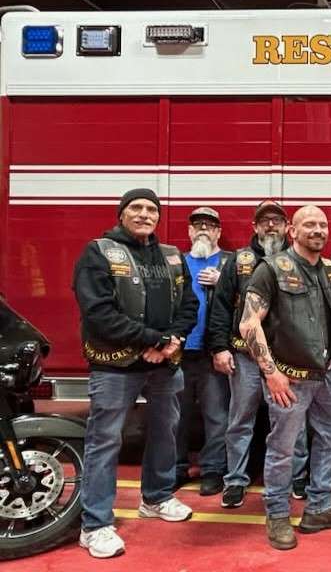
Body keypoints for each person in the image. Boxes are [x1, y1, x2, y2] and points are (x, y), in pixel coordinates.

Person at [73, 188, 199, 558]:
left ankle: (157, 497)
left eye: (151, 209)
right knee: (105, 439)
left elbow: (189, 304)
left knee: (166, 432)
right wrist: (153, 338)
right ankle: (94, 524)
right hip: (115, 364)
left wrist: (173, 340)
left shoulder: (172, 256)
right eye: (136, 208)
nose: (145, 214)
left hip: (164, 362)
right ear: (121, 214)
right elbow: (98, 311)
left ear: (158, 217)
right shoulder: (98, 252)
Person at [238, 205, 331, 550]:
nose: (318, 230)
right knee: (282, 449)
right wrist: (271, 373)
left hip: (327, 377)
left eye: (322, 224)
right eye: (310, 224)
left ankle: (320, 506)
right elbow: (249, 324)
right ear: (293, 230)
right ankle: (277, 515)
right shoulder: (271, 269)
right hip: (288, 380)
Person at [207, 200, 309, 508]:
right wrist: (220, 347)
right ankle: (236, 480)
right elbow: (221, 306)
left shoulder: (300, 261)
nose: (271, 226)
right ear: (254, 227)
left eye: (277, 220)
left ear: (287, 227)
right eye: (264, 221)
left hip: (287, 359)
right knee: (240, 419)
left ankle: (298, 476)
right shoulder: (239, 261)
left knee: (294, 420)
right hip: (245, 357)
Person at [175, 206, 232, 496]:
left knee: (216, 416)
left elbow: (248, 297)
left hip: (213, 354)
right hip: (179, 354)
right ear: (188, 231)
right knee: (176, 416)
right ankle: (176, 468)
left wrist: (224, 282)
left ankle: (212, 470)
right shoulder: (177, 262)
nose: (203, 230)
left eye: (209, 226)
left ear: (218, 232)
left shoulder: (230, 263)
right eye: (197, 225)